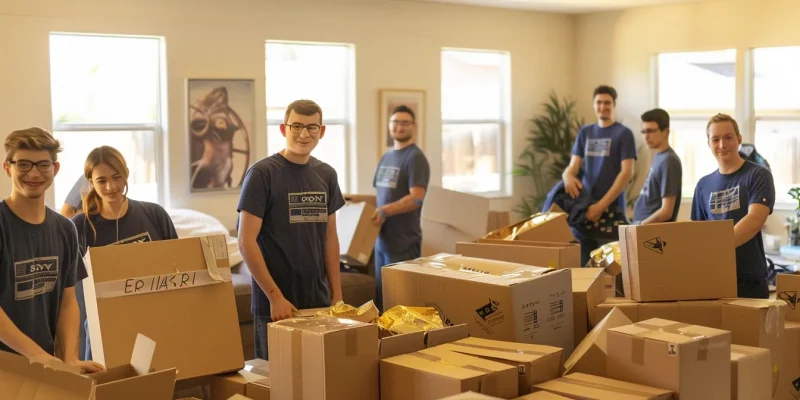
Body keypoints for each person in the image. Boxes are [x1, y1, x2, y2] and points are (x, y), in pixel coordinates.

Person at [237, 99, 345, 360]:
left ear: (322, 131)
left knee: (318, 380)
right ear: (284, 129)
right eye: (297, 126)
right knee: (277, 385)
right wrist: (275, 297)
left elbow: (330, 238)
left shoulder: (326, 174)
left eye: (312, 127)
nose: (304, 134)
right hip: (276, 305)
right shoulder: (262, 174)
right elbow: (246, 241)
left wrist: (338, 296)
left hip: (317, 300)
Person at [0, 127, 103, 372]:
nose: (34, 173)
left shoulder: (65, 229)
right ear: (7, 168)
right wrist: (38, 356)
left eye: (43, 165)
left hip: (45, 369)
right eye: (23, 164)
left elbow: (68, 301)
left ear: (55, 169)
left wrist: (69, 359)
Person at [72, 146, 179, 360]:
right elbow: (75, 294)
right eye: (101, 181)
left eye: (117, 177)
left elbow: (178, 266)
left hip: (154, 321)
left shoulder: (154, 214)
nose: (111, 187)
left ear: (126, 174)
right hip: (102, 329)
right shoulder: (80, 226)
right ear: (91, 182)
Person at [691, 113, 775, 299]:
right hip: (714, 281)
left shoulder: (758, 175)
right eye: (715, 139)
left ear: (739, 139)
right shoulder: (703, 185)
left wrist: (717, 248)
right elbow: (697, 233)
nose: (722, 145)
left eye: (728, 137)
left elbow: (755, 219)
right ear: (709, 144)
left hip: (750, 283)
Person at [562, 85, 637, 265]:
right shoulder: (585, 132)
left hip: (611, 211)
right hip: (585, 210)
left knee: (610, 271)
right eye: (599, 102)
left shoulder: (623, 134)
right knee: (580, 267)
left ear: (614, 105)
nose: (603, 106)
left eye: (607, 103)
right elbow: (572, 166)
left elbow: (627, 172)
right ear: (593, 105)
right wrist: (567, 176)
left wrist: (601, 206)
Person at [370, 105, 430, 312]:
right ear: (389, 126)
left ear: (414, 127)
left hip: (404, 241)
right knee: (383, 297)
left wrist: (385, 211)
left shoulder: (415, 158)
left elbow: (416, 198)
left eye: (405, 122)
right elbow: (379, 196)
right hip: (382, 240)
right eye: (396, 122)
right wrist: (349, 200)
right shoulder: (387, 157)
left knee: (401, 304)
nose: (400, 127)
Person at [633, 108, 683, 224]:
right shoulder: (659, 156)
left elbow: (666, 211)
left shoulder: (669, 160)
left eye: (650, 131)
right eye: (644, 132)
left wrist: (640, 227)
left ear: (665, 132)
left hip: (652, 233)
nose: (646, 136)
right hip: (644, 229)